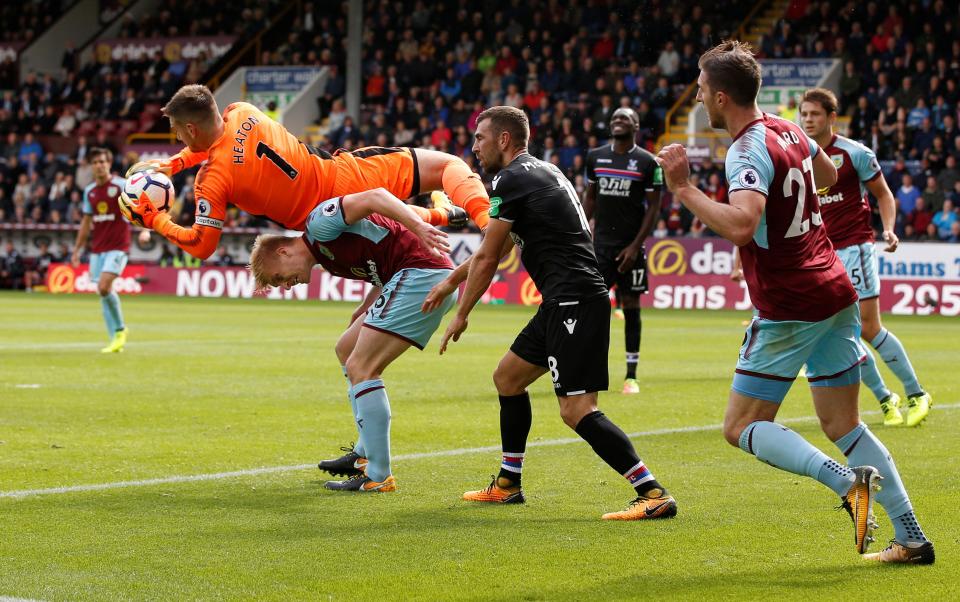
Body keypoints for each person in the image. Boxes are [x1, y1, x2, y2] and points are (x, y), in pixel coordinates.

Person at [657, 41, 933, 563]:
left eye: (698, 88)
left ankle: (848, 485)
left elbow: (741, 224)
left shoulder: (745, 147)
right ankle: (912, 537)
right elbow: (828, 176)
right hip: (833, 288)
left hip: (789, 303)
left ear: (720, 96)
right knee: (845, 426)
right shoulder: (788, 127)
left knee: (740, 427)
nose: (695, 96)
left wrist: (685, 189)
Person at [425, 106, 677, 520]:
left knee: (576, 409)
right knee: (508, 378)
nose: (474, 148)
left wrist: (461, 313)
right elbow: (500, 243)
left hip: (575, 300)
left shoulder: (512, 178)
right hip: (564, 300)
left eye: (480, 139)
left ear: (504, 140)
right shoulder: (539, 171)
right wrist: (451, 282)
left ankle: (651, 492)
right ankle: (508, 483)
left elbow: (489, 256)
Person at [120, 85, 488, 261]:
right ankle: (490, 223)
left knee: (384, 216)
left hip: (326, 228)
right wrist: (174, 163)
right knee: (447, 167)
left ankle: (444, 214)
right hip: (344, 176)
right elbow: (220, 142)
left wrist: (156, 221)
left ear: (190, 129)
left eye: (178, 132)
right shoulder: (243, 110)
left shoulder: (212, 181)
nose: (177, 139)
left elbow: (203, 246)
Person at [249, 188, 455, 492]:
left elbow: (375, 196)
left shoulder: (319, 225)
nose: (286, 286)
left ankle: (378, 474)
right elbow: (384, 269)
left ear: (283, 252)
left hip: (423, 274)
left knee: (362, 366)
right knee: (346, 348)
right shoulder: (328, 259)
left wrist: (419, 224)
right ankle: (362, 454)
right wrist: (363, 310)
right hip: (411, 275)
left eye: (279, 278)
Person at [800, 88, 932, 427]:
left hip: (855, 248)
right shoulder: (800, 157)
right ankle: (887, 400)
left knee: (869, 328)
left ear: (831, 118)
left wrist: (889, 228)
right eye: (804, 114)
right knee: (838, 334)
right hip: (822, 255)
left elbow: (884, 195)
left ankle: (917, 394)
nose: (808, 120)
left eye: (814, 114)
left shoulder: (854, 153)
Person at [583, 107, 663, 394]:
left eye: (624, 119)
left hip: (631, 249)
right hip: (601, 248)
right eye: (615, 118)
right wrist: (582, 230)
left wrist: (635, 245)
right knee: (592, 307)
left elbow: (654, 208)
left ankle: (631, 375)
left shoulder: (648, 162)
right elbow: (590, 199)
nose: (618, 121)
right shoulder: (595, 157)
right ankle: (590, 369)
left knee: (631, 307)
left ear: (636, 126)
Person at [71, 147, 150, 353]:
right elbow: (86, 223)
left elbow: (139, 208)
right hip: (98, 249)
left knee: (105, 287)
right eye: (96, 162)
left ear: (109, 164)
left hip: (118, 247)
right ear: (91, 166)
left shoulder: (122, 185)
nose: (100, 165)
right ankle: (115, 338)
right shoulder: (89, 191)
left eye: (103, 162)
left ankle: (121, 330)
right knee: (102, 292)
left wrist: (144, 230)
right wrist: (77, 250)